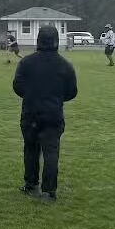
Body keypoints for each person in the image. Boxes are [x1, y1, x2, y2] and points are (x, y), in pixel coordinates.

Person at [13, 26, 78, 202]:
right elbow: (72, 91)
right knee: (51, 152)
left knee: (31, 150)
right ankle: (49, 191)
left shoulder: (26, 63)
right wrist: (55, 98)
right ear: (56, 41)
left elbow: (17, 86)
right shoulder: (65, 65)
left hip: (31, 113)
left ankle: (31, 183)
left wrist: (32, 95)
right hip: (53, 113)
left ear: (38, 41)